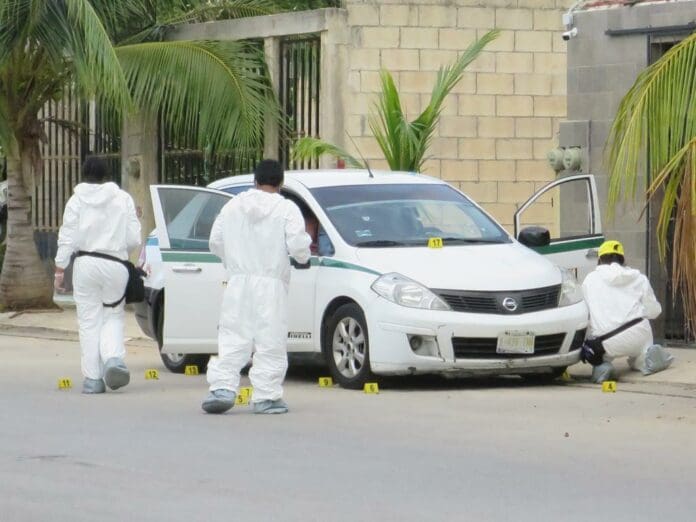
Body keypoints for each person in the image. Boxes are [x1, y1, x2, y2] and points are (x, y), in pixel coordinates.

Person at [202, 159, 311, 414]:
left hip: (238, 281)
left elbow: (215, 241)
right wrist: (303, 259)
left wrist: (234, 261)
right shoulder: (287, 209)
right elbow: (298, 245)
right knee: (270, 339)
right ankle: (266, 396)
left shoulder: (232, 206)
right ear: (281, 183)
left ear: (254, 180)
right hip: (271, 282)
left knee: (232, 335)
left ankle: (222, 388)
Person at [54, 157, 141, 394]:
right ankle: (113, 358)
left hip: (85, 264)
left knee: (89, 321)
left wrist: (60, 269)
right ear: (106, 174)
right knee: (113, 315)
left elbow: (67, 237)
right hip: (116, 265)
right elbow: (134, 238)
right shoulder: (123, 199)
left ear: (84, 174)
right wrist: (119, 250)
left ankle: (93, 379)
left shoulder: (76, 201)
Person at [581, 239, 672, 382]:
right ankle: (645, 358)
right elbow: (654, 311)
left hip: (608, 341)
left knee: (596, 352)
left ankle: (603, 366)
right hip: (639, 333)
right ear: (623, 260)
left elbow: (585, 314)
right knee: (641, 349)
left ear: (599, 259)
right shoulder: (639, 278)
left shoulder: (589, 280)